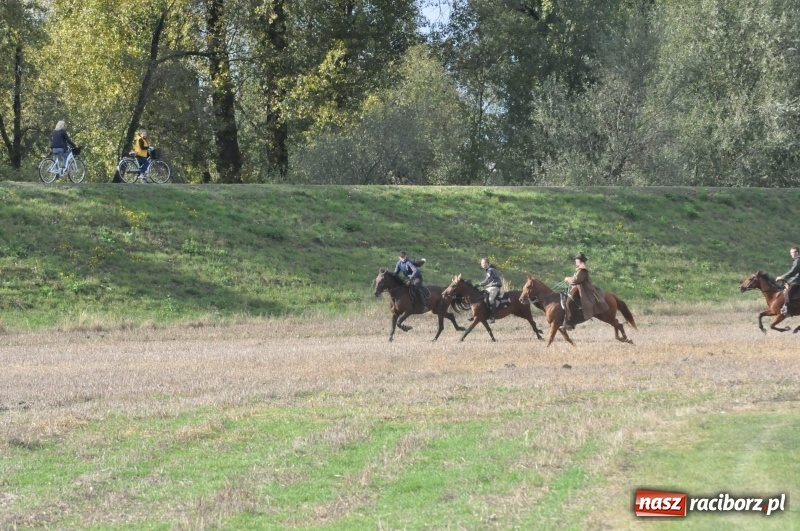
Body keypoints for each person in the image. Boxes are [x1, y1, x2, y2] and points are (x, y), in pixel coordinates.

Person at [563, 252, 609, 330]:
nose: (575, 261)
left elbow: (576, 280)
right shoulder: (580, 268)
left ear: (579, 260)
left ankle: (571, 321)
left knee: (569, 302)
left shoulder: (582, 269)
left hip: (584, 289)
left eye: (576, 260)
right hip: (578, 287)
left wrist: (567, 279)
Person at [776, 246, 800, 316]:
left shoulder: (798, 260)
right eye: (790, 252)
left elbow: (793, 271)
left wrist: (782, 277)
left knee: (787, 292)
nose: (791, 254)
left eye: (792, 252)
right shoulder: (797, 260)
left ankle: (788, 310)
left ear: (797, 253)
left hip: (797, 281)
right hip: (796, 279)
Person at [477, 258, 502, 323]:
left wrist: (479, 284)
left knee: (490, 299)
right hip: (490, 286)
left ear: (487, 263)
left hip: (495, 286)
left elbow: (488, 280)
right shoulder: (489, 270)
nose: (482, 265)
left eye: (483, 263)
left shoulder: (490, 270)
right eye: (481, 263)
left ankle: (493, 317)